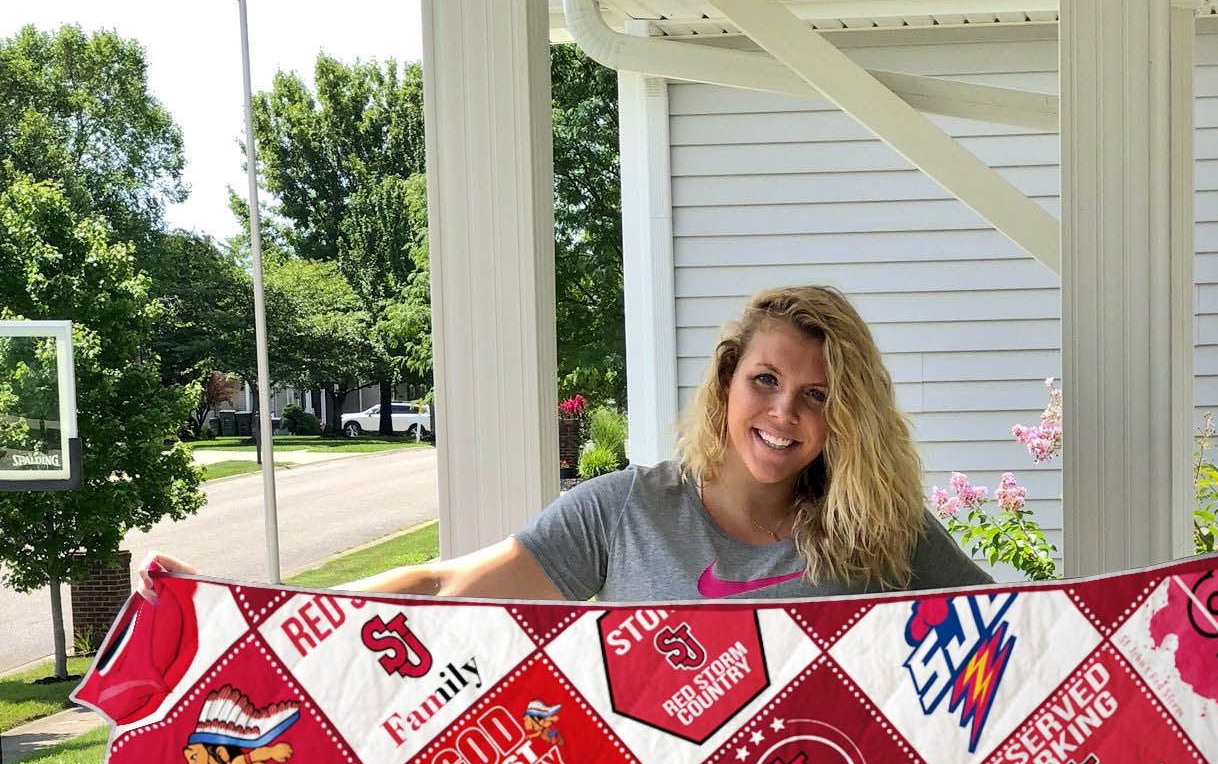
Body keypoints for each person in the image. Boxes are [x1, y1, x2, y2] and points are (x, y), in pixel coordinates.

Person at [139, 285, 992, 606]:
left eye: (816, 395)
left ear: (845, 416)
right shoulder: (625, 512)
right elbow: (442, 586)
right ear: (727, 381)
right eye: (765, 380)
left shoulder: (882, 529)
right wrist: (240, 607)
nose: (783, 412)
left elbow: (1021, 636)